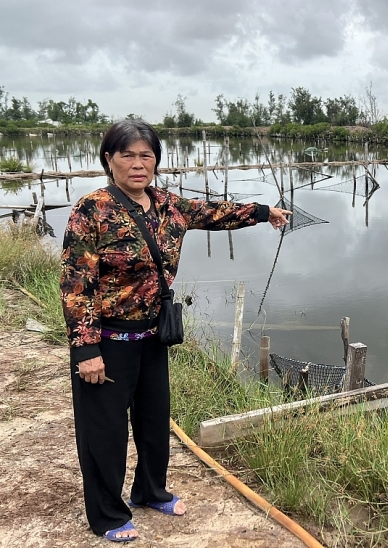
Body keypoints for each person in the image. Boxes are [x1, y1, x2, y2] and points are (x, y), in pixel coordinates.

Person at [60, 120, 290, 542]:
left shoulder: (169, 206)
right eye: (126, 155)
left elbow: (216, 213)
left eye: (146, 155)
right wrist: (85, 350)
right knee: (104, 432)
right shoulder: (91, 210)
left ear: (156, 162)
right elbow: (77, 286)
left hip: (153, 337)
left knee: (153, 421)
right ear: (109, 159)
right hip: (108, 341)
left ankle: (150, 490)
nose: (137, 164)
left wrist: (264, 213)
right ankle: (108, 514)